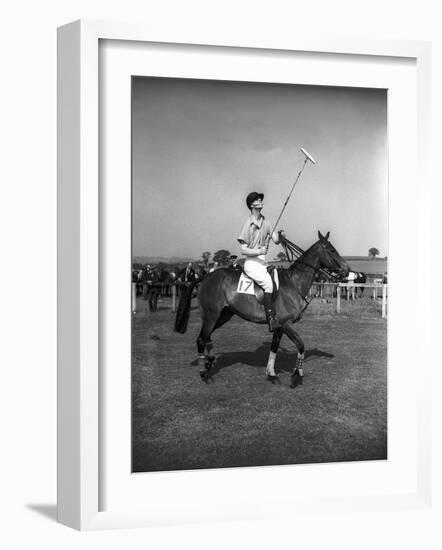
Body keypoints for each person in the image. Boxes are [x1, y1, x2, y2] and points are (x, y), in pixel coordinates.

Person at [237, 191, 282, 332]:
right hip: (251, 262)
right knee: (268, 285)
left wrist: (281, 236)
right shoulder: (248, 224)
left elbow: (275, 239)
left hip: (262, 262)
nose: (261, 201)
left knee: (276, 277)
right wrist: (259, 251)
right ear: (252, 205)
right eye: (257, 199)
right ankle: (271, 319)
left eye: (260, 199)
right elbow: (243, 250)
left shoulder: (266, 222)